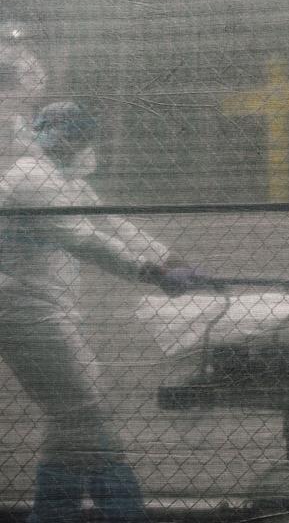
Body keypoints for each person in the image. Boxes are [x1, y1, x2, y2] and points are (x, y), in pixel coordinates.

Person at [0, 101, 200, 523]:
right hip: (23, 309)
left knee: (72, 414)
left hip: (42, 306)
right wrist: (150, 272)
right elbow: (87, 240)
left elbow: (112, 223)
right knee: (85, 410)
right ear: (66, 138)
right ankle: (121, 512)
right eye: (77, 136)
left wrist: (170, 257)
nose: (82, 144)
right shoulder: (33, 179)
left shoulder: (60, 178)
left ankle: (55, 513)